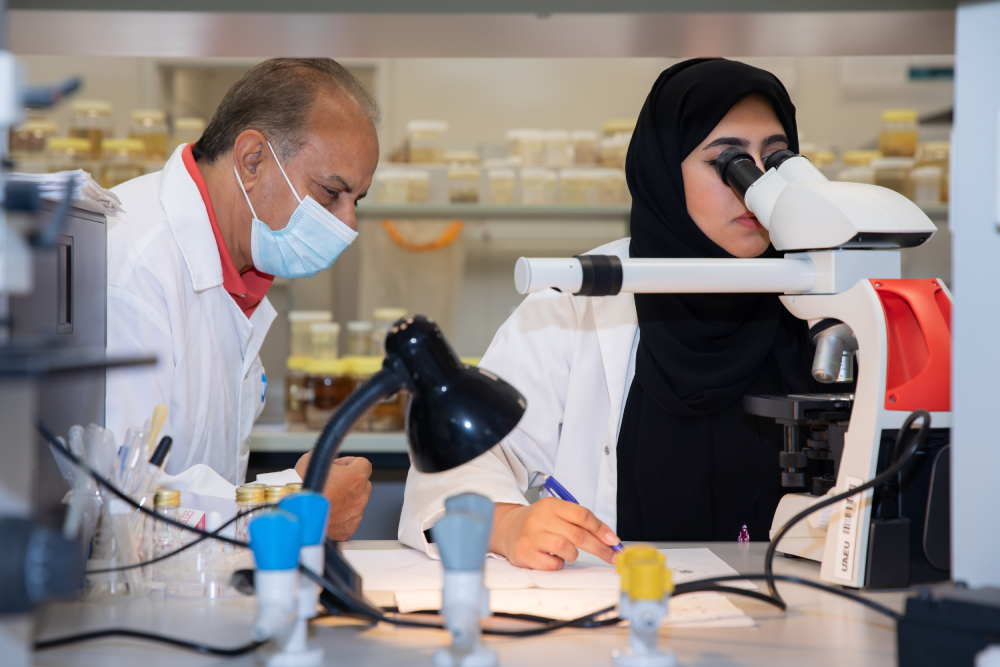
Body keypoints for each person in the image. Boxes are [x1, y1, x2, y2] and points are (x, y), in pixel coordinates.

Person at [398, 58, 816, 569]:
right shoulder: (577, 304)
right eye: (728, 162)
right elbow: (454, 461)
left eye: (774, 162)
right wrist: (506, 523)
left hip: (798, 616)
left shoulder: (828, 305)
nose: (755, 188)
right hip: (617, 623)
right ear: (662, 170)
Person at [106, 58, 380, 540]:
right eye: (331, 192)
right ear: (253, 160)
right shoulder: (134, 264)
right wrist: (294, 505)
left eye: (356, 201)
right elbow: (121, 503)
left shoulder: (240, 272)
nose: (347, 224)